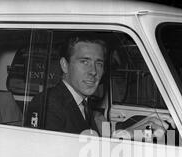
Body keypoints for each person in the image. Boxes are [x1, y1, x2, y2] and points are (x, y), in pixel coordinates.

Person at [27, 33, 172, 140]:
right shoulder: (46, 104)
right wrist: (125, 135)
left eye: (99, 64)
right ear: (65, 65)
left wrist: (141, 130)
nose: (93, 72)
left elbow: (92, 144)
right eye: (84, 62)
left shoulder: (84, 104)